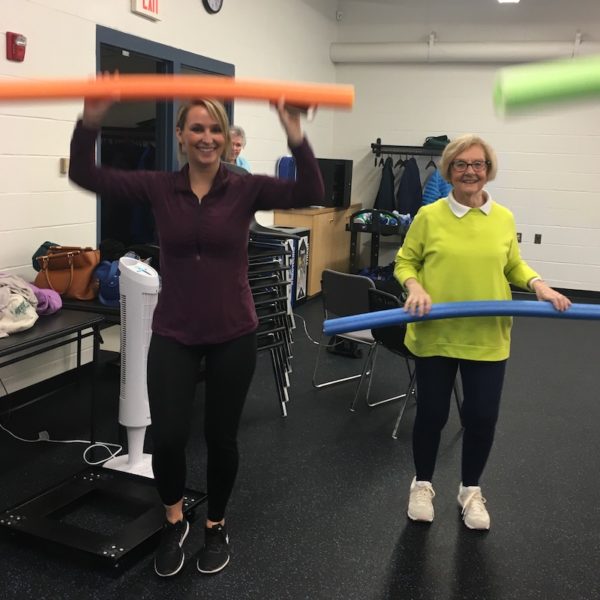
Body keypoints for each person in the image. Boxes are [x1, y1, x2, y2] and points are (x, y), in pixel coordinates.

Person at [69, 90, 324, 576]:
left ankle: (216, 524)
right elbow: (87, 175)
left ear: (227, 139)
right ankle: (173, 519)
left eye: (215, 129)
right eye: (197, 129)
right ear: (182, 136)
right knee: (168, 438)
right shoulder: (160, 186)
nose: (207, 137)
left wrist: (294, 130)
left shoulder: (245, 188)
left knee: (221, 437)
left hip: (233, 331)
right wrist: (91, 121)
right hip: (175, 331)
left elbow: (311, 188)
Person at [394, 134, 571, 530]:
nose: (470, 171)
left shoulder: (503, 217)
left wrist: (539, 284)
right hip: (436, 332)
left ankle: (469, 490)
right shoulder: (430, 216)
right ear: (449, 171)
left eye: (478, 164)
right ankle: (422, 484)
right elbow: (405, 262)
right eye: (461, 164)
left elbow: (513, 265)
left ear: (488, 171)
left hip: (487, 334)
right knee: (432, 415)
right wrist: (415, 286)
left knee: (481, 417)